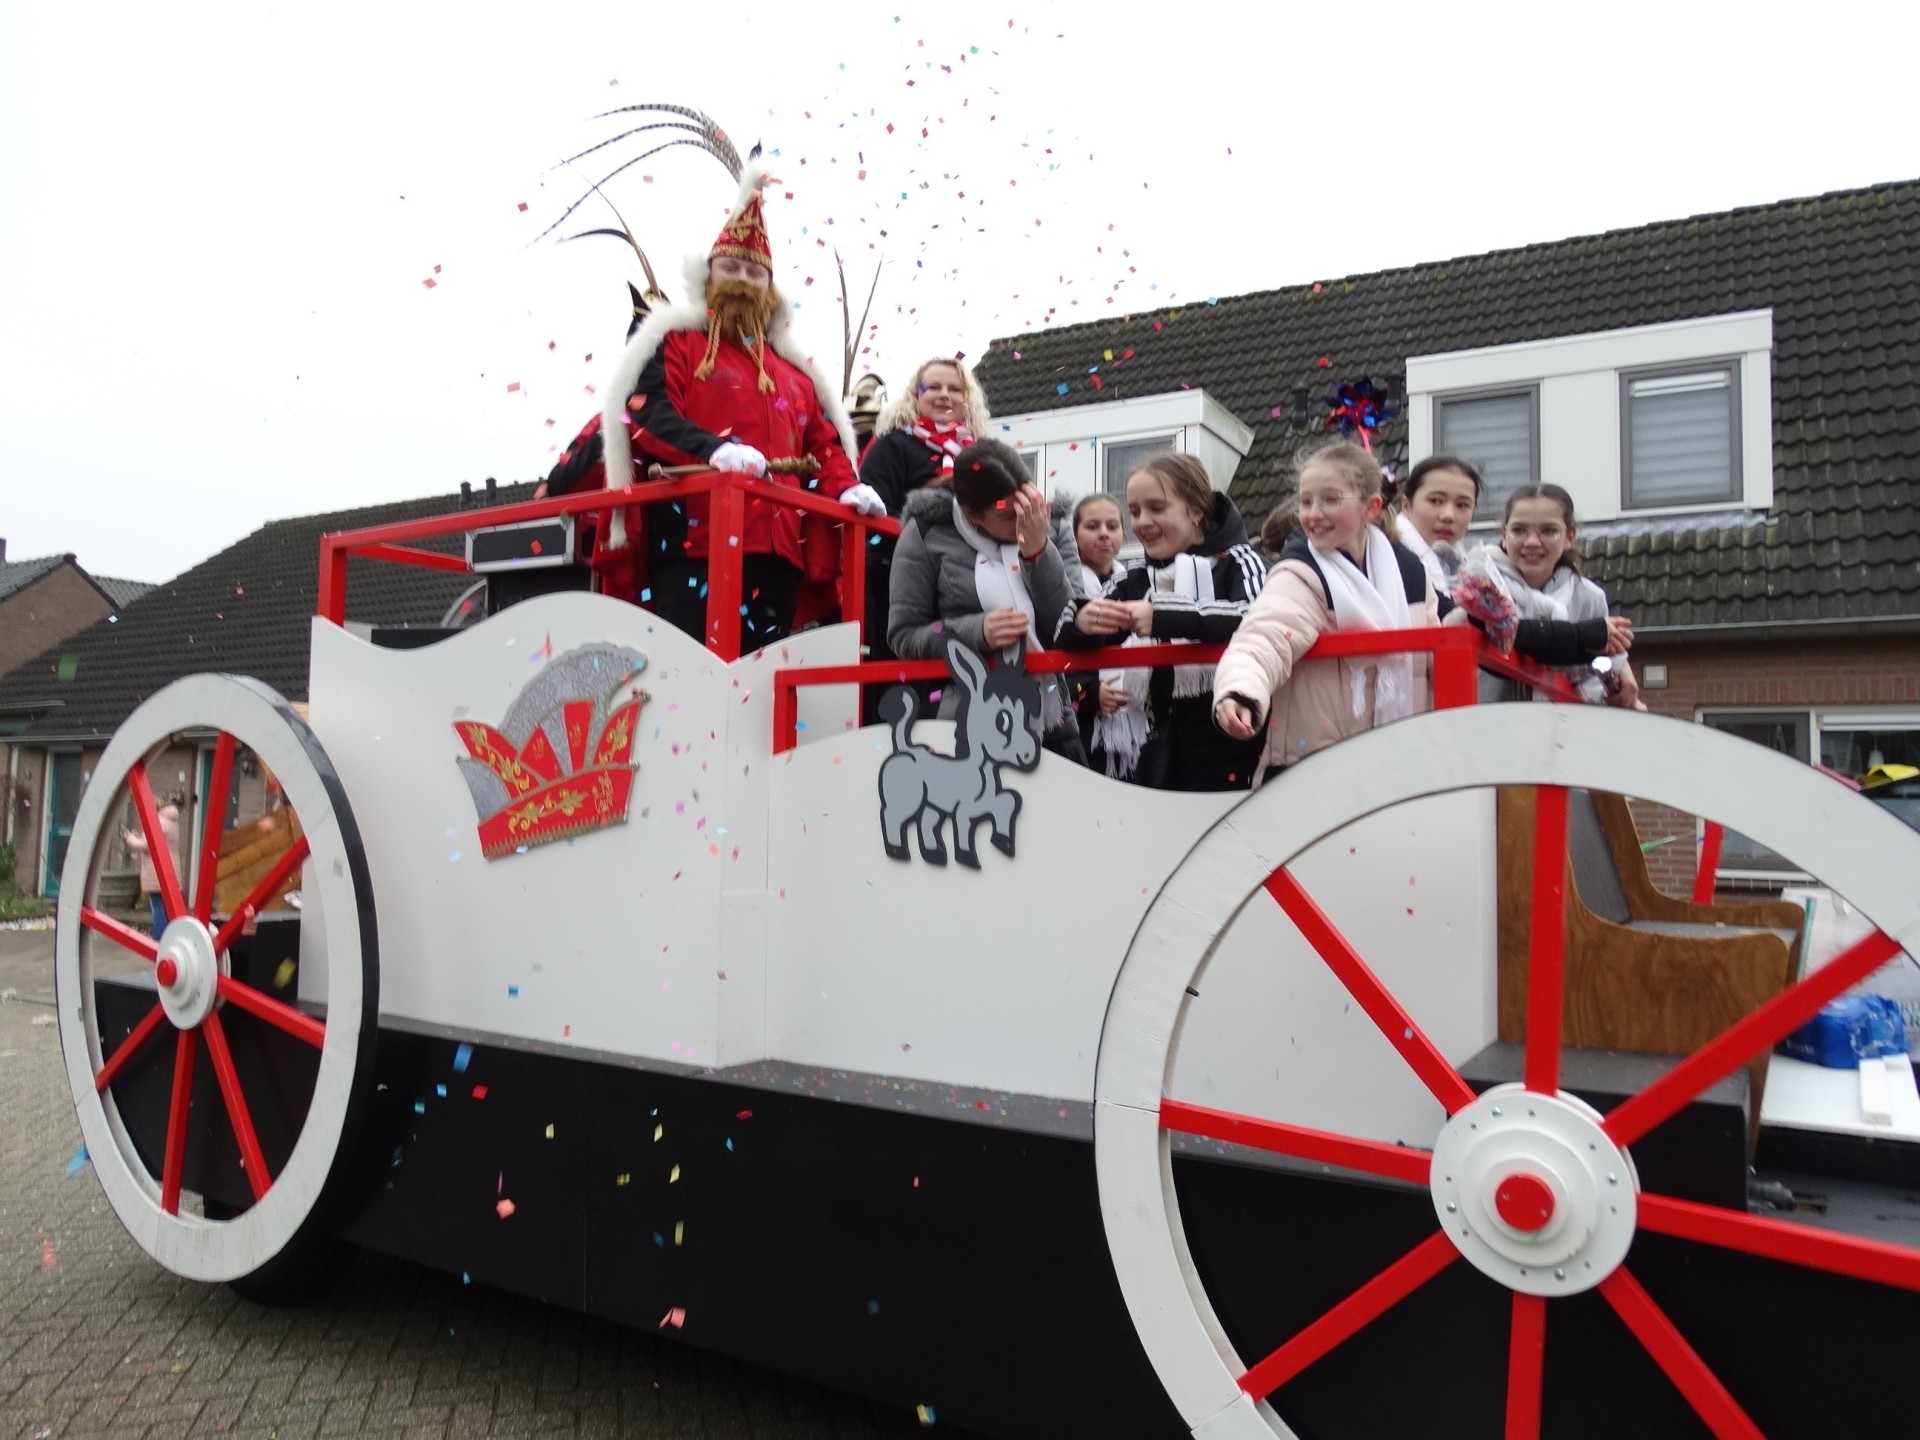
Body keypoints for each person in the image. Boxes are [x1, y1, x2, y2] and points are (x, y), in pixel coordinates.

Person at [596, 159, 885, 653]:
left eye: (754, 273)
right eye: (730, 269)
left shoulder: (794, 373)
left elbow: (823, 445)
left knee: (764, 678)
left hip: (777, 551)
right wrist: (713, 450)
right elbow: (647, 413)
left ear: (770, 290)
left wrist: (847, 486)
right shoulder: (678, 344)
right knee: (691, 671)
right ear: (708, 277)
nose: (742, 281)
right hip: (694, 545)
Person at [1213, 442, 1437, 781]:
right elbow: (1265, 635)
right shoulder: (1301, 573)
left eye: (1330, 500)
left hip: (1402, 766)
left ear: (1371, 507)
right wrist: (1240, 690)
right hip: (1315, 772)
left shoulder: (1412, 572)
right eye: (1306, 502)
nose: (1313, 514)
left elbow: (1441, 652)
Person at [1060, 453, 1266, 790]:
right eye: (1135, 511)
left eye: (1156, 508)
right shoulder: (1136, 578)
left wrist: (1164, 616)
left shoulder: (1240, 561)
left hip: (1241, 739)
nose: (1142, 522)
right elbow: (1064, 632)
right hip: (1162, 749)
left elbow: (1258, 618)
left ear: (1196, 510)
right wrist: (1083, 622)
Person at [887, 439, 1085, 762]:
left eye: (1027, 505)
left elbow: (1071, 625)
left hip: (1053, 723)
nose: (1023, 520)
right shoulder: (926, 533)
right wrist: (977, 631)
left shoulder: (1051, 524)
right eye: (1007, 515)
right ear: (971, 515)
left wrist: (1037, 551)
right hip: (966, 725)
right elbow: (904, 634)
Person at [1397, 457, 1634, 674]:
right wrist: (1587, 637)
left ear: (1570, 536)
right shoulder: (1410, 563)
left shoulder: (1459, 568)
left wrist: (1616, 669)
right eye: (1435, 501)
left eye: (1462, 505)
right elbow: (1501, 636)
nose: (1448, 515)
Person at [853, 359, 991, 717]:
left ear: (967, 398)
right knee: (902, 690)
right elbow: (873, 511)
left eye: (954, 388)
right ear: (916, 395)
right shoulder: (893, 445)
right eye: (933, 387)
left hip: (964, 586)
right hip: (901, 583)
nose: (944, 395)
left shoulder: (982, 453)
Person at [1491, 483, 1644, 708]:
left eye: (1548, 531)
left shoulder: (1588, 597)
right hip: (1488, 718)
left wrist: (1616, 672)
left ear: (1569, 537)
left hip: (1561, 723)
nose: (1532, 542)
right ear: (1504, 535)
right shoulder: (1482, 589)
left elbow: (1596, 672)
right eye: (1519, 530)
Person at [1064, 493, 1132, 776]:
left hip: (1133, 720)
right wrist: (1089, 692)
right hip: (1082, 726)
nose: (1104, 533)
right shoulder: (1064, 587)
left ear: (1123, 536)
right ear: (1074, 536)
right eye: (1092, 526)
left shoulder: (1136, 585)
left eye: (1112, 526)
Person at [124, 796, 183, 939]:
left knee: (157, 905)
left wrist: (131, 839)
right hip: (170, 868)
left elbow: (148, 846)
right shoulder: (171, 822)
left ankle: (158, 937)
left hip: (157, 870)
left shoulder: (158, 822)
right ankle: (170, 935)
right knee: (168, 906)